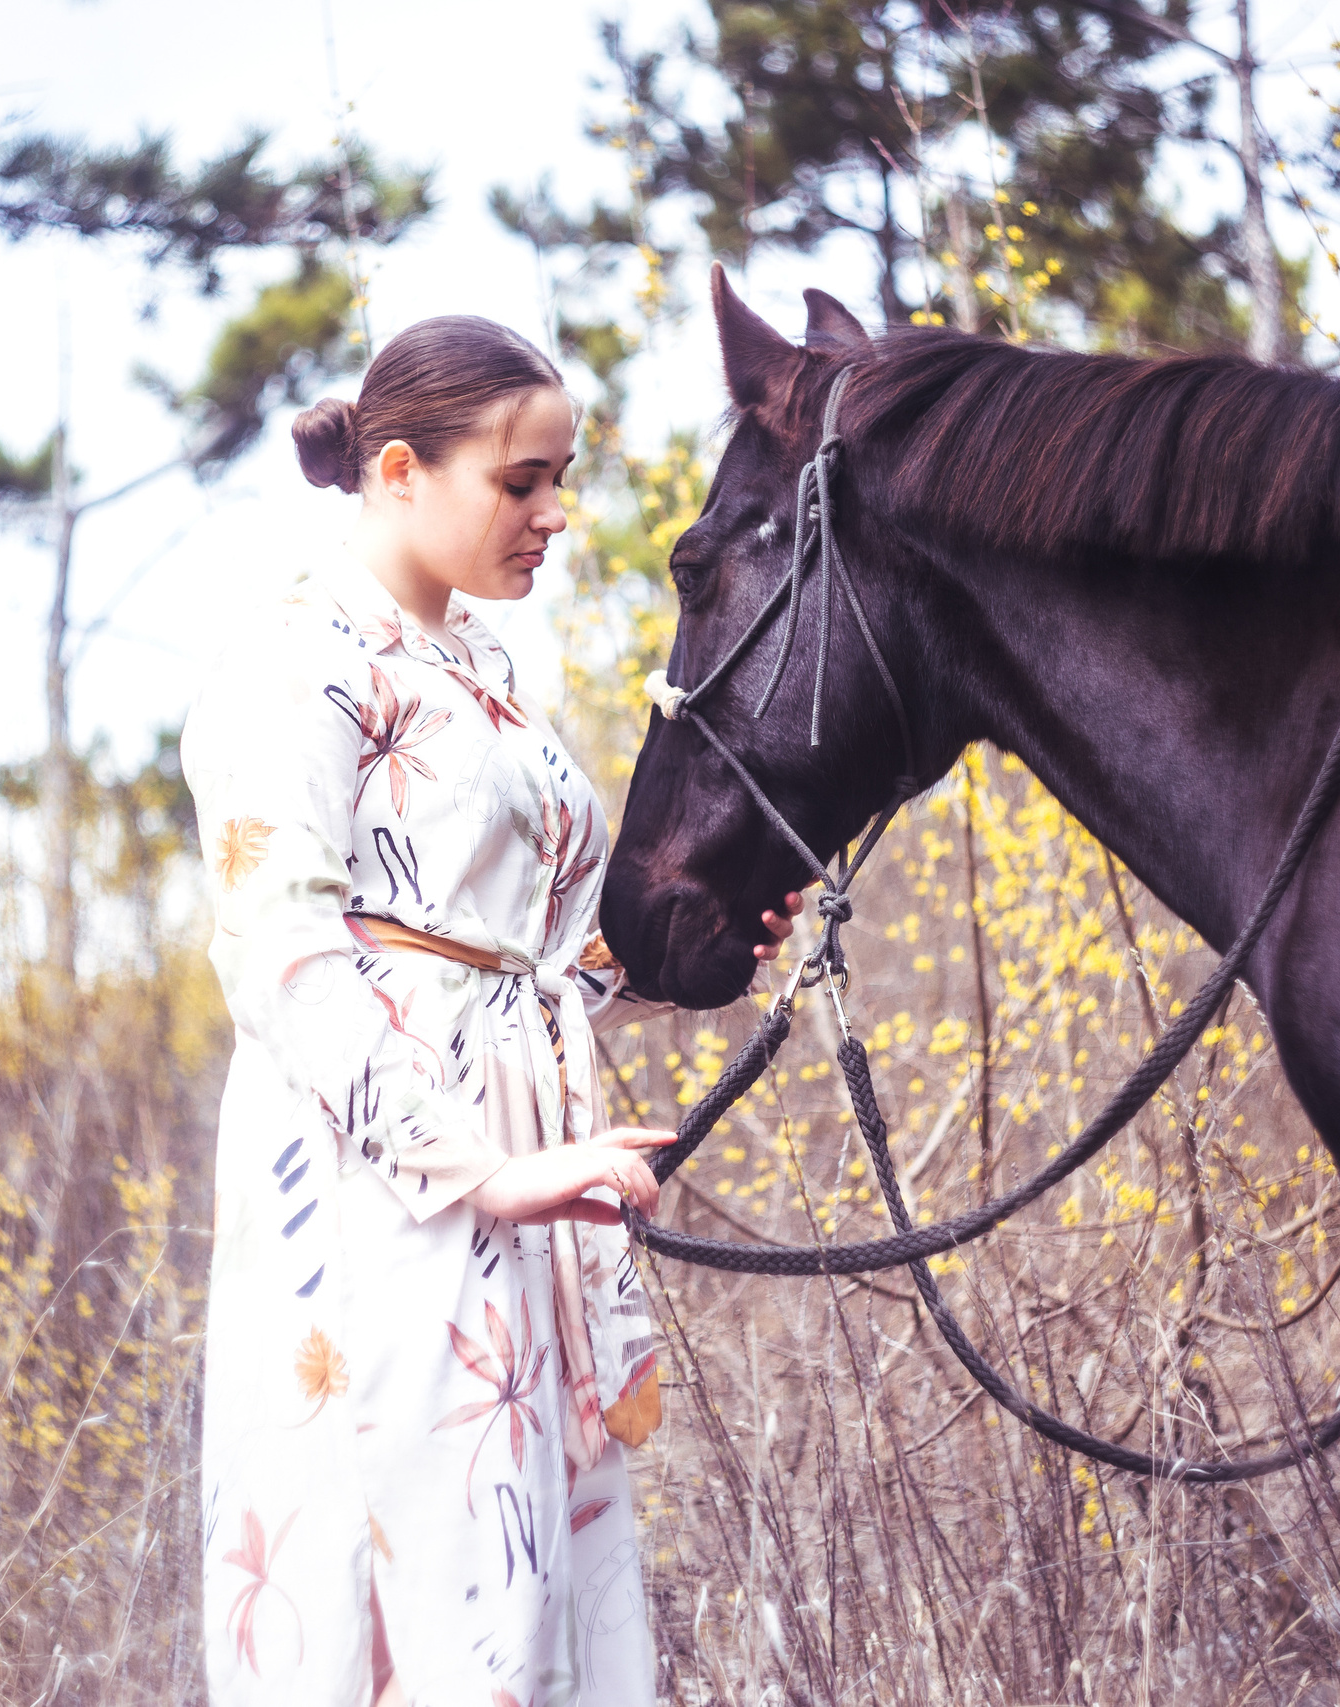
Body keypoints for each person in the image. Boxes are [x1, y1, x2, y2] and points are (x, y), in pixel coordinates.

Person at [181, 314, 800, 1705]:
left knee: (528, 1608)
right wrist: (490, 1174)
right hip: (377, 1199)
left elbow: (519, 959)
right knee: (432, 1592)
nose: (555, 513)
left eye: (559, 477)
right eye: (519, 483)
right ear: (398, 472)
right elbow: (279, 957)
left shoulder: (490, 669)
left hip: (510, 1202)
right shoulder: (296, 665)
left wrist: (688, 957)